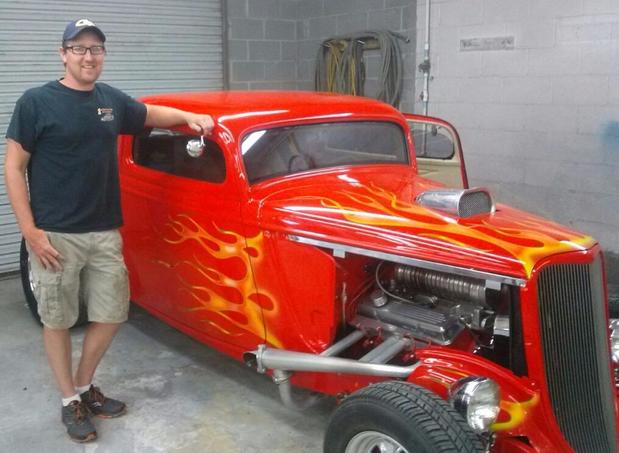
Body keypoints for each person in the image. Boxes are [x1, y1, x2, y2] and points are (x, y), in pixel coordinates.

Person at [3, 19, 214, 443]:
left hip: (103, 232)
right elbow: (13, 167)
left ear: (103, 55)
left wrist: (190, 117)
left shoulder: (110, 102)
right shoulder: (36, 102)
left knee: (113, 312)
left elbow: (151, 114)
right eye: (79, 48)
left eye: (96, 48)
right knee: (58, 319)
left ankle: (84, 385)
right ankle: (69, 400)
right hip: (55, 235)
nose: (88, 56)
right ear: (63, 54)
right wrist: (30, 232)